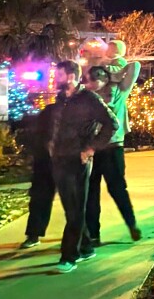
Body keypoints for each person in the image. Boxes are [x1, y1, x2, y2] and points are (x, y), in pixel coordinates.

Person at [50, 62, 117, 273]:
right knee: (71, 206)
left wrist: (91, 148)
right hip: (59, 158)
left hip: (78, 160)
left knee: (76, 207)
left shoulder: (90, 99)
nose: (55, 78)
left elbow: (111, 124)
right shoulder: (61, 99)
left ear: (71, 76)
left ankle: (69, 255)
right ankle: (86, 246)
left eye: (58, 75)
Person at [87, 41, 141, 244]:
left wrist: (111, 68)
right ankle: (93, 233)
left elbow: (135, 66)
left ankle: (131, 224)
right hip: (92, 147)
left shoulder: (120, 89)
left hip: (113, 146)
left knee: (117, 189)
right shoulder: (91, 94)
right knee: (91, 192)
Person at [21, 89, 59, 249]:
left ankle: (82, 238)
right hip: (45, 160)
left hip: (67, 160)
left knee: (75, 202)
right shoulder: (49, 112)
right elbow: (38, 133)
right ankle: (34, 233)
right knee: (40, 198)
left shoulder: (78, 111)